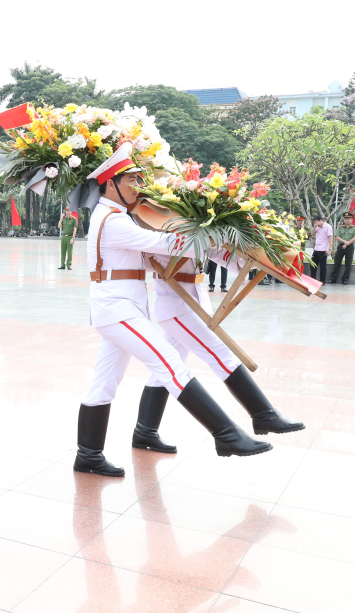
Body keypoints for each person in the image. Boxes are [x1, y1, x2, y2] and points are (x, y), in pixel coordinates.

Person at [76, 143, 269, 478]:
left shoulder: (118, 217)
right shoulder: (112, 220)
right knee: (169, 363)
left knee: (104, 383)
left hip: (122, 306)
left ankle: (88, 455)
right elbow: (164, 244)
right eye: (132, 180)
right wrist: (211, 230)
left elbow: (157, 254)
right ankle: (226, 434)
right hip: (117, 309)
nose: (138, 186)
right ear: (111, 184)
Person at [133, 247, 304, 454]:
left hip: (191, 301)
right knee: (221, 355)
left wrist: (248, 259)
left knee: (162, 373)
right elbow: (165, 248)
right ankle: (263, 415)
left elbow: (210, 250)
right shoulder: (159, 222)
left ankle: (145, 432)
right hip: (177, 304)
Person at [330, 212, 355, 285]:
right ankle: (333, 279)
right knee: (337, 262)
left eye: (349, 219)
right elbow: (337, 236)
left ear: (351, 220)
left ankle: (345, 279)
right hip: (341, 246)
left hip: (350, 247)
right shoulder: (340, 227)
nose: (347, 220)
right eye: (346, 219)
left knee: (348, 264)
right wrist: (345, 242)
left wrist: (348, 243)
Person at [310, 216, 332, 283]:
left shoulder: (328, 226)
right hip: (316, 248)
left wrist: (330, 249)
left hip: (323, 249)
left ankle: (322, 281)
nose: (316, 223)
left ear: (321, 220)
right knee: (312, 264)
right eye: (314, 222)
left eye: (316, 222)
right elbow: (312, 233)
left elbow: (331, 237)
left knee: (322, 266)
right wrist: (314, 227)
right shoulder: (317, 227)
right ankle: (313, 279)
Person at [57, 206, 77, 270]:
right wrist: (61, 218)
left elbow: (75, 229)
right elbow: (59, 226)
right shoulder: (64, 219)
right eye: (66, 210)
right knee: (63, 251)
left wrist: (73, 238)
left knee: (69, 252)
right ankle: (62, 265)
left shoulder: (74, 219)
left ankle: (69, 265)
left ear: (71, 211)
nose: (67, 212)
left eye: (68, 210)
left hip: (70, 236)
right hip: (63, 237)